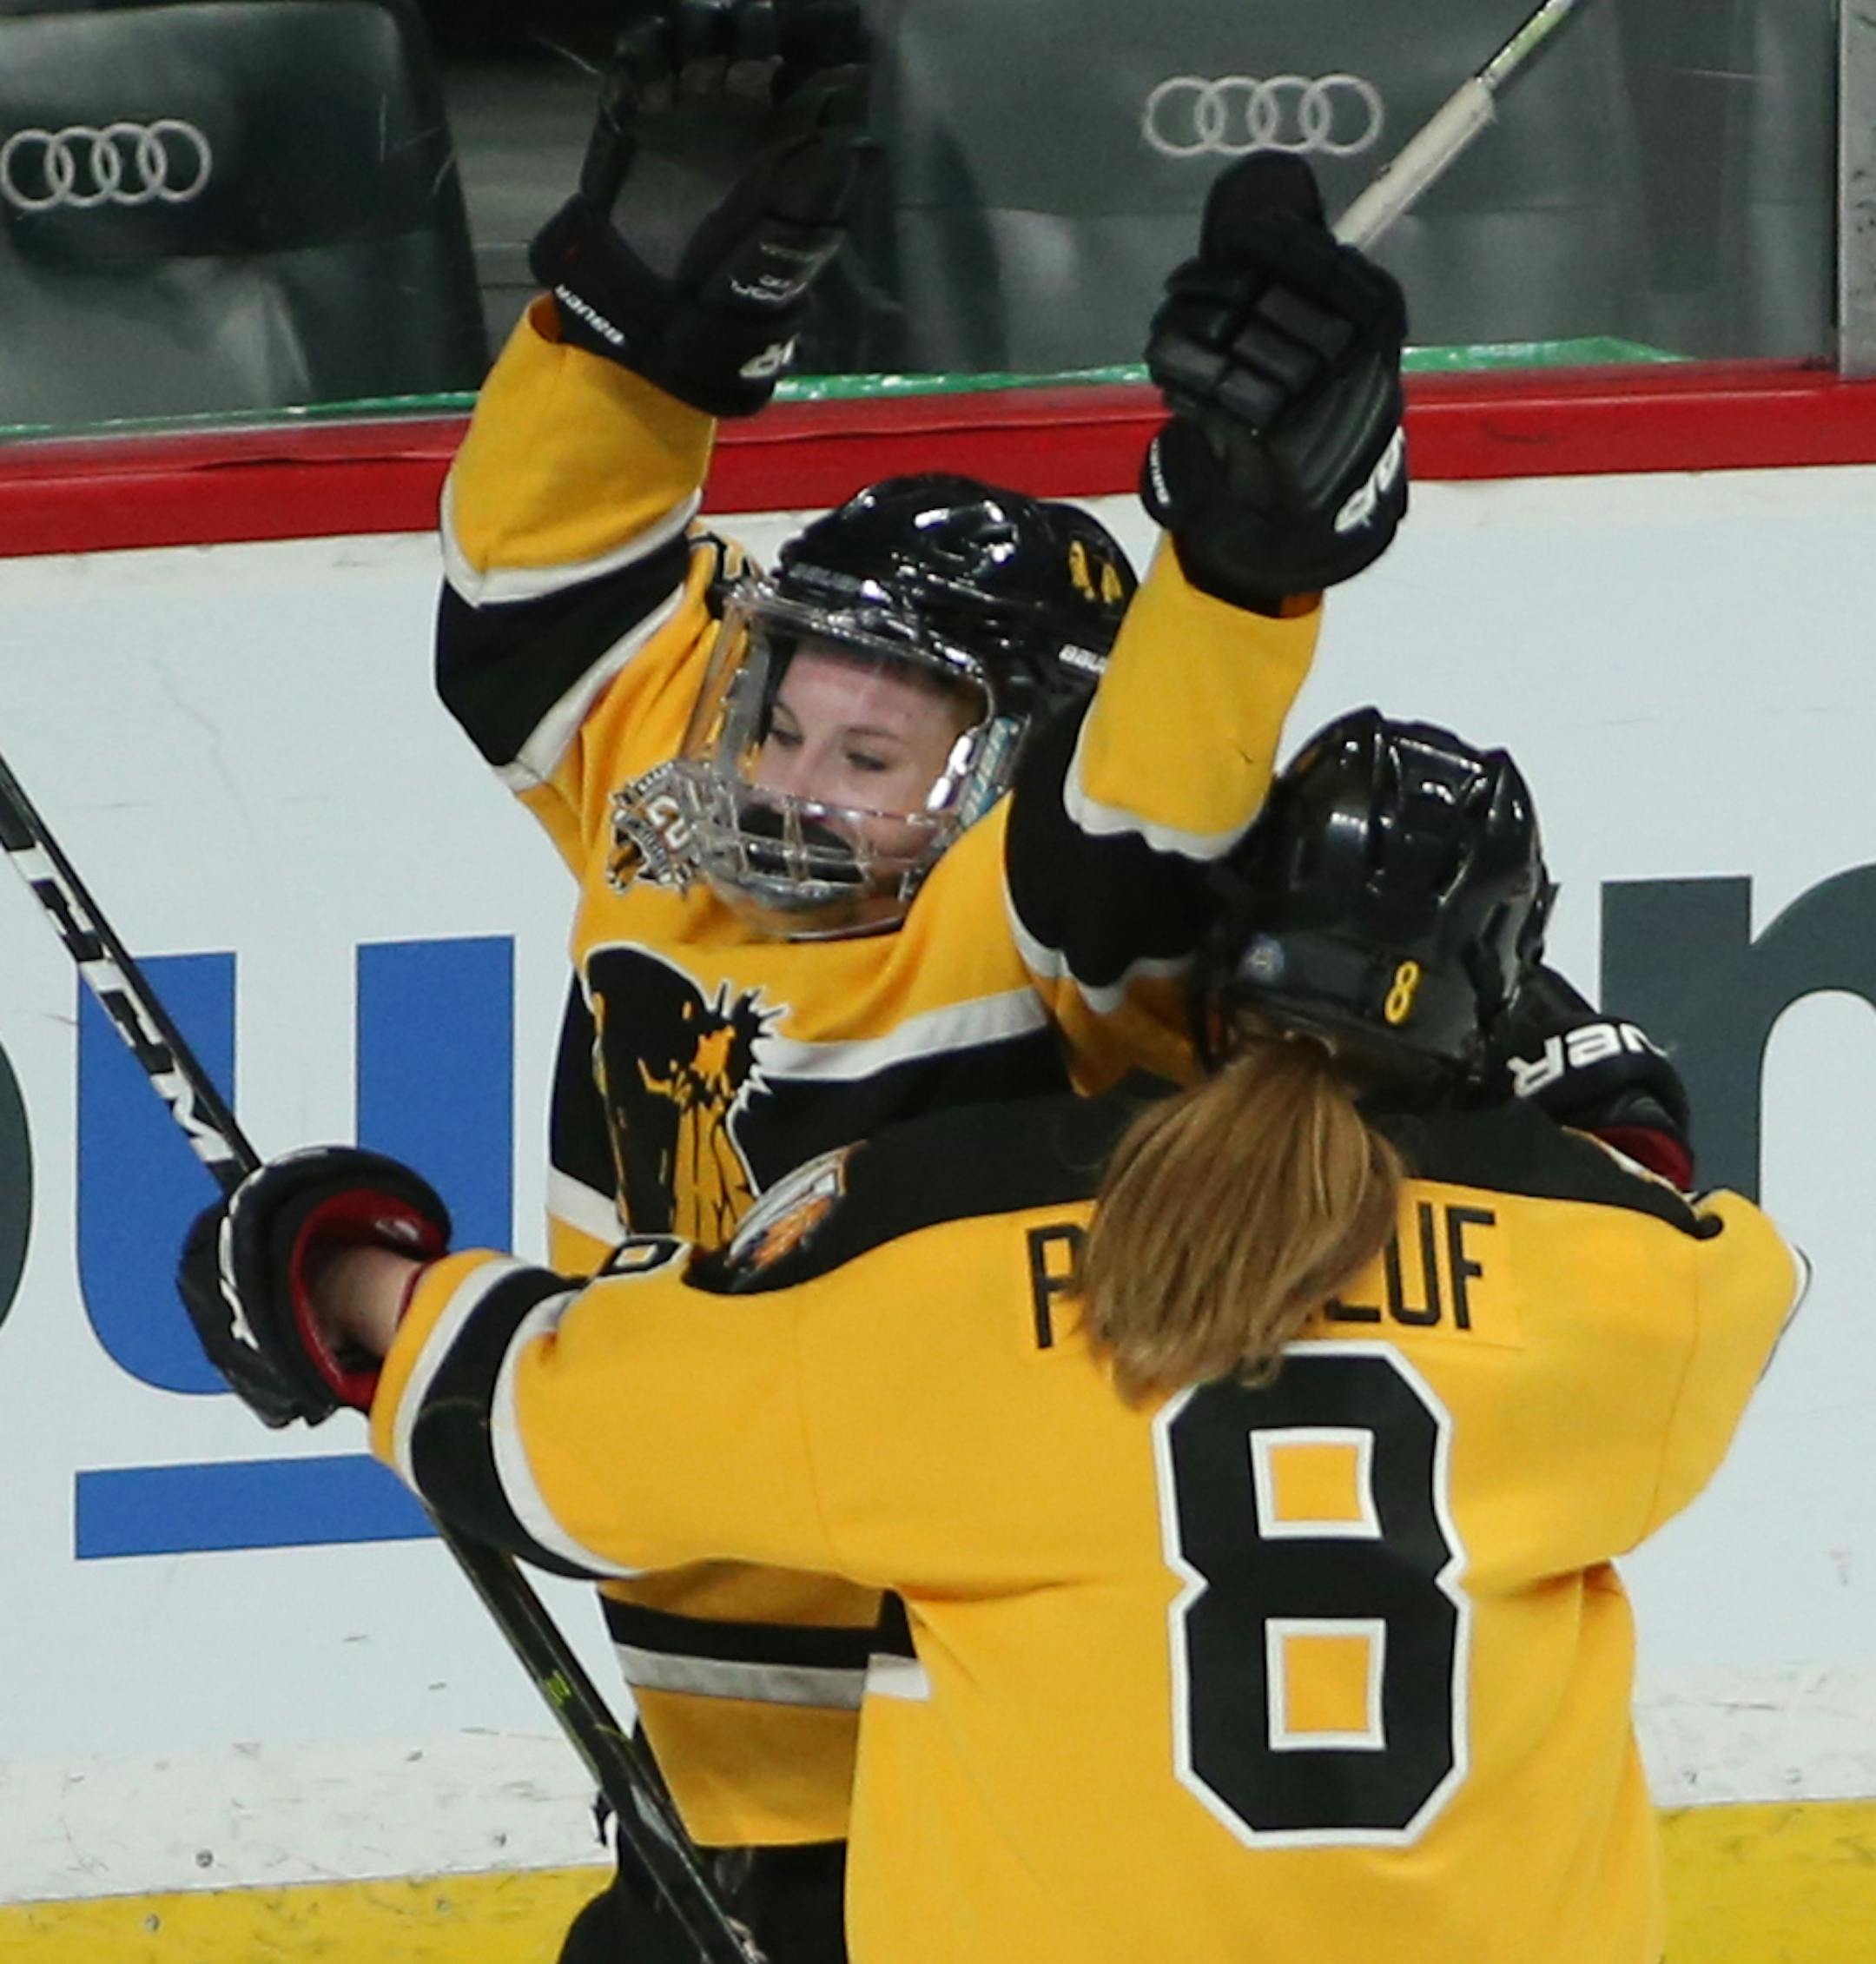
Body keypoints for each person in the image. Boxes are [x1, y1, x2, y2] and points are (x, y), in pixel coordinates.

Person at [181, 707, 1803, 1964]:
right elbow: (1724, 1252)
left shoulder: (943, 1258)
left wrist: (345, 1286)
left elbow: (554, 1438)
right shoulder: (1621, 1291)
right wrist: (1579, 1095)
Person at [430, 0, 1409, 1950]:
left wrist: (1245, 568)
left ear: (1003, 779)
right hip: (700, 1810)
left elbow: (1143, 832)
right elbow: (526, 605)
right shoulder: (677, 821)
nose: (792, 782)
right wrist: (635, 323)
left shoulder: (1043, 948)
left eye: (875, 760)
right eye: (788, 714)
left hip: (974, 1826)